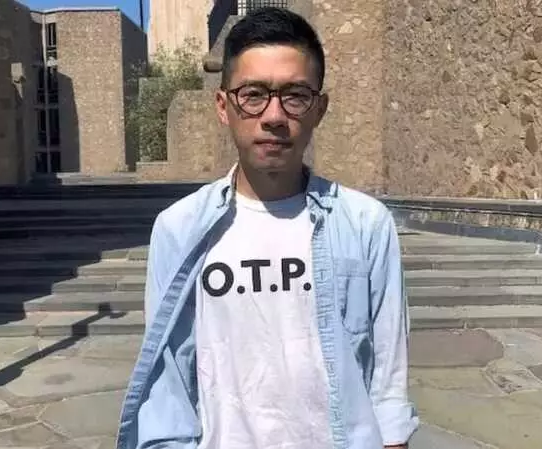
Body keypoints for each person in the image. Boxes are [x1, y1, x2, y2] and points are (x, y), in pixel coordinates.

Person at [116, 7, 418, 449]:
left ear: (319, 109)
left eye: (295, 95)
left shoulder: (365, 223)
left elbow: (389, 380)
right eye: (253, 94)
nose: (274, 115)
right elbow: (169, 381)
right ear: (223, 107)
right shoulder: (178, 228)